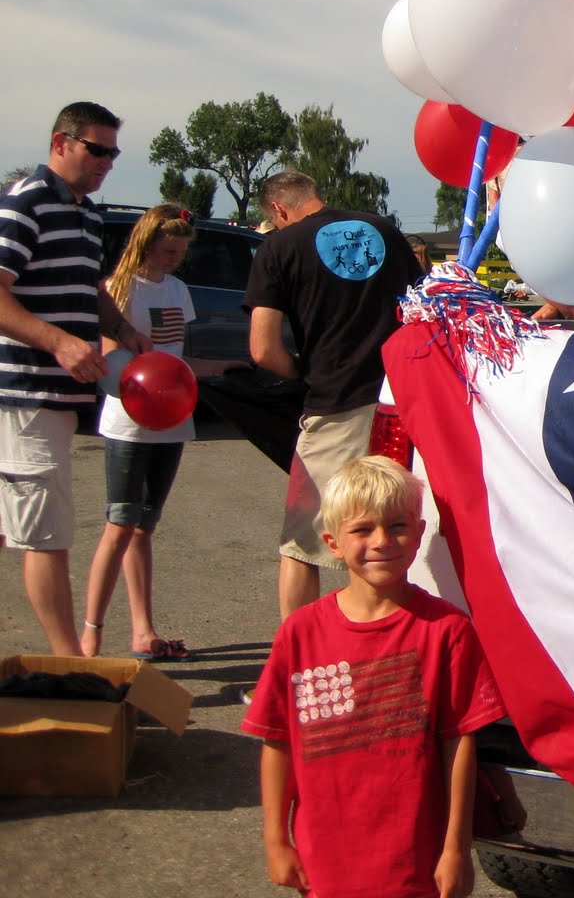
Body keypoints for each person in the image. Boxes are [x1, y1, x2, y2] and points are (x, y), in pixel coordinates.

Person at [242, 455, 505, 897]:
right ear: (333, 542)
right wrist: (275, 839)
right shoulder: (300, 633)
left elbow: (459, 745)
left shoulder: (448, 631)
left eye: (398, 526)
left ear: (419, 533)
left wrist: (456, 847)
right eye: (363, 529)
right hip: (322, 861)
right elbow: (277, 741)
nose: (382, 541)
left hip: (413, 862)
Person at [0, 102, 154, 656]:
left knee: (28, 523)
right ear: (60, 142)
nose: (107, 161)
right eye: (97, 149)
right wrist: (60, 341)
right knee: (45, 536)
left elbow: (89, 290)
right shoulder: (26, 202)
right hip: (24, 394)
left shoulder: (86, 214)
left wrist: (123, 329)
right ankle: (70, 665)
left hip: (56, 398)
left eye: (113, 152)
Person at [245, 170, 423, 621]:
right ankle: (382, 654)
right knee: (386, 534)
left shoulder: (278, 248)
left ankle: (298, 665)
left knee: (303, 543)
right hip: (401, 402)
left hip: (334, 403)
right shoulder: (385, 231)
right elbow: (425, 307)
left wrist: (304, 375)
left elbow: (263, 349)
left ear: (278, 211)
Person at [80, 204, 249, 659]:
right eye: (167, 249)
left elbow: (175, 360)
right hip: (129, 423)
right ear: (146, 243)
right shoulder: (120, 289)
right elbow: (117, 366)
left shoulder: (177, 289)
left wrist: (219, 368)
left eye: (180, 251)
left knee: (143, 530)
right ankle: (89, 636)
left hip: (173, 422)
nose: (174, 257)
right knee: (118, 524)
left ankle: (142, 631)